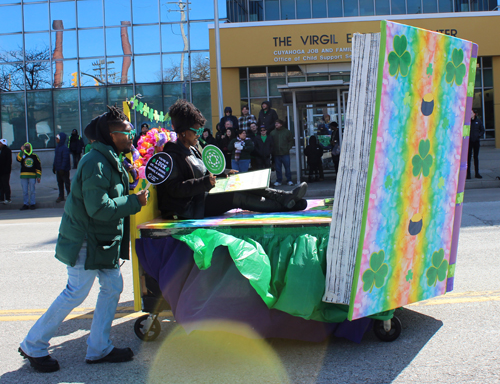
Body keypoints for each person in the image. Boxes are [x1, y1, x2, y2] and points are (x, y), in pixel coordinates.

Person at [19, 106, 149, 373]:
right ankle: (33, 344)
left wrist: (130, 181)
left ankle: (99, 348)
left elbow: (110, 192)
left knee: (112, 287)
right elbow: (98, 208)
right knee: (76, 292)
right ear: (112, 135)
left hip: (102, 240)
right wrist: (133, 201)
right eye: (127, 132)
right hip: (86, 240)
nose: (132, 135)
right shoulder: (95, 162)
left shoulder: (110, 158)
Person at [157, 99, 308, 220]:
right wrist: (204, 182)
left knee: (239, 179)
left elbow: (203, 172)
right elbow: (174, 189)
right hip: (191, 207)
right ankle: (287, 206)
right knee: (235, 196)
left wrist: (223, 173)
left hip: (204, 195)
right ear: (183, 132)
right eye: (197, 131)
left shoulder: (192, 149)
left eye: (201, 130)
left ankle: (284, 197)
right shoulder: (171, 155)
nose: (199, 134)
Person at [16, 142, 41, 210]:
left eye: (28, 147)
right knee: (25, 191)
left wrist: (38, 176)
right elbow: (18, 159)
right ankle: (25, 204)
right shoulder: (22, 155)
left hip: (32, 176)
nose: (27, 148)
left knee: (32, 190)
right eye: (25, 147)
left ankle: (32, 203)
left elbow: (38, 166)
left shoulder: (34, 156)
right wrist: (21, 151)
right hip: (23, 176)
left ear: (31, 147)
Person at [270, 119, 294, 186]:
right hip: (276, 153)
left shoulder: (287, 132)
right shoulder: (272, 133)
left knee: (287, 167)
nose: (276, 125)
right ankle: (279, 180)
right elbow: (270, 143)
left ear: (281, 124)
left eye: (277, 123)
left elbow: (291, 141)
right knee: (278, 168)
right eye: (275, 123)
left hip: (285, 153)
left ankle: (289, 180)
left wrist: (288, 148)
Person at [467, 109, 485, 179]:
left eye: (471, 113)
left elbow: (482, 130)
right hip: (469, 142)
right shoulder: (468, 122)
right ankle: (468, 174)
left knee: (476, 157)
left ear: (474, 114)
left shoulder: (478, 121)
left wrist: (478, 135)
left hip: (476, 142)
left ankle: (477, 173)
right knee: (468, 158)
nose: (470, 114)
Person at [53, 133, 71, 203]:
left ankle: (69, 196)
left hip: (64, 170)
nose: (56, 140)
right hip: (58, 169)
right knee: (59, 183)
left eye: (57, 138)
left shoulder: (65, 148)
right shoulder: (57, 148)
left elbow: (65, 159)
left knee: (67, 183)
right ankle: (61, 196)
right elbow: (56, 158)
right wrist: (54, 166)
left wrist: (62, 168)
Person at [0, 138, 12, 204]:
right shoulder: (0, 151)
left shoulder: (7, 150)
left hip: (5, 172)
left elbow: (8, 162)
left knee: (5, 185)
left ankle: (8, 198)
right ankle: (1, 198)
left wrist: (6, 170)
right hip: (1, 171)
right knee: (1, 185)